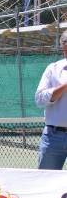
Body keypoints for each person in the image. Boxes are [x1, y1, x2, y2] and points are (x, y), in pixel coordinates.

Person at [35, 30, 67, 170]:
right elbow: (39, 99)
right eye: (65, 43)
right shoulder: (53, 69)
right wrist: (64, 86)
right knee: (46, 180)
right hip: (53, 137)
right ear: (63, 46)